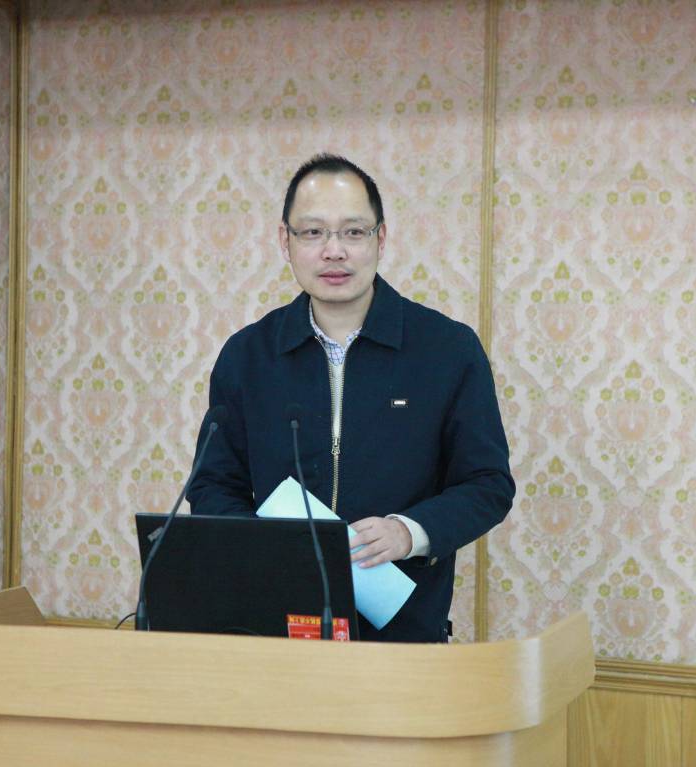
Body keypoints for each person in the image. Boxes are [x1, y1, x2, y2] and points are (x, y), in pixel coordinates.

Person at [186, 153, 515, 642]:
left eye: (353, 232)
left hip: (402, 633)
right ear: (285, 241)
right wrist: (268, 548)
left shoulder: (448, 349)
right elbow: (213, 485)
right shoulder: (248, 355)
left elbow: (488, 484)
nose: (333, 251)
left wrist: (408, 531)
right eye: (313, 232)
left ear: (380, 239)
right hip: (277, 628)